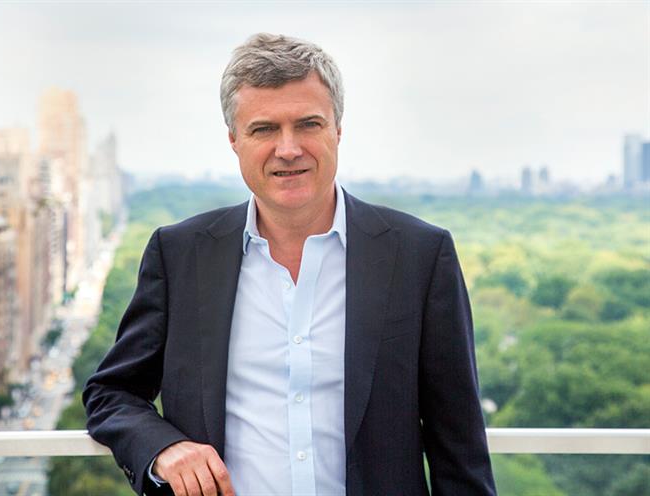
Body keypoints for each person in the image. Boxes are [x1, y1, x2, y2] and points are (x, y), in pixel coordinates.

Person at [84, 33, 497, 496]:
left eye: (308, 124)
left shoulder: (421, 255)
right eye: (263, 129)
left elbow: (459, 449)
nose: (288, 148)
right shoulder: (178, 255)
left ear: (337, 130)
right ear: (234, 140)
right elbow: (110, 394)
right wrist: (164, 448)